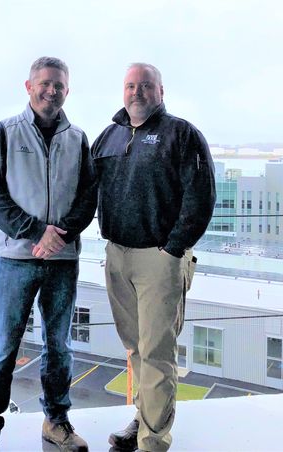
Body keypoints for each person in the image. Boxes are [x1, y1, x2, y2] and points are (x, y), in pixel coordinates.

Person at [0, 56, 96, 452]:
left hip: (61, 260)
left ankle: (56, 422)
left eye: (59, 85)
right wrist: (35, 232)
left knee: (60, 346)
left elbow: (88, 197)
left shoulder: (78, 138)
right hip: (14, 259)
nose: (51, 91)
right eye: (44, 83)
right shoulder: (4, 134)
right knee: (1, 348)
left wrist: (58, 237)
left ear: (67, 90)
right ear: (28, 87)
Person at [91, 63, 216, 451]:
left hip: (159, 259)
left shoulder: (182, 135)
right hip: (117, 256)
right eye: (130, 85)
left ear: (161, 91)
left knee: (158, 355)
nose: (137, 92)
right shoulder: (108, 137)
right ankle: (143, 422)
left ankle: (154, 442)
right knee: (136, 350)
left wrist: (173, 249)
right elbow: (84, 190)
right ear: (122, 91)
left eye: (145, 86)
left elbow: (201, 197)